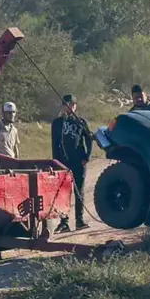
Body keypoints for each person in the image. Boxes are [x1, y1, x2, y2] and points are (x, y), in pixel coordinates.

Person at [51, 94, 93, 232]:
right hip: (63, 163)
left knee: (78, 191)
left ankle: (79, 220)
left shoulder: (81, 122)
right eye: (66, 104)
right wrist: (56, 162)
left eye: (71, 104)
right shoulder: (57, 123)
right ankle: (64, 222)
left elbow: (88, 139)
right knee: (64, 192)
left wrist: (87, 156)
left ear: (75, 106)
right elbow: (54, 144)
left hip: (79, 161)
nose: (69, 107)